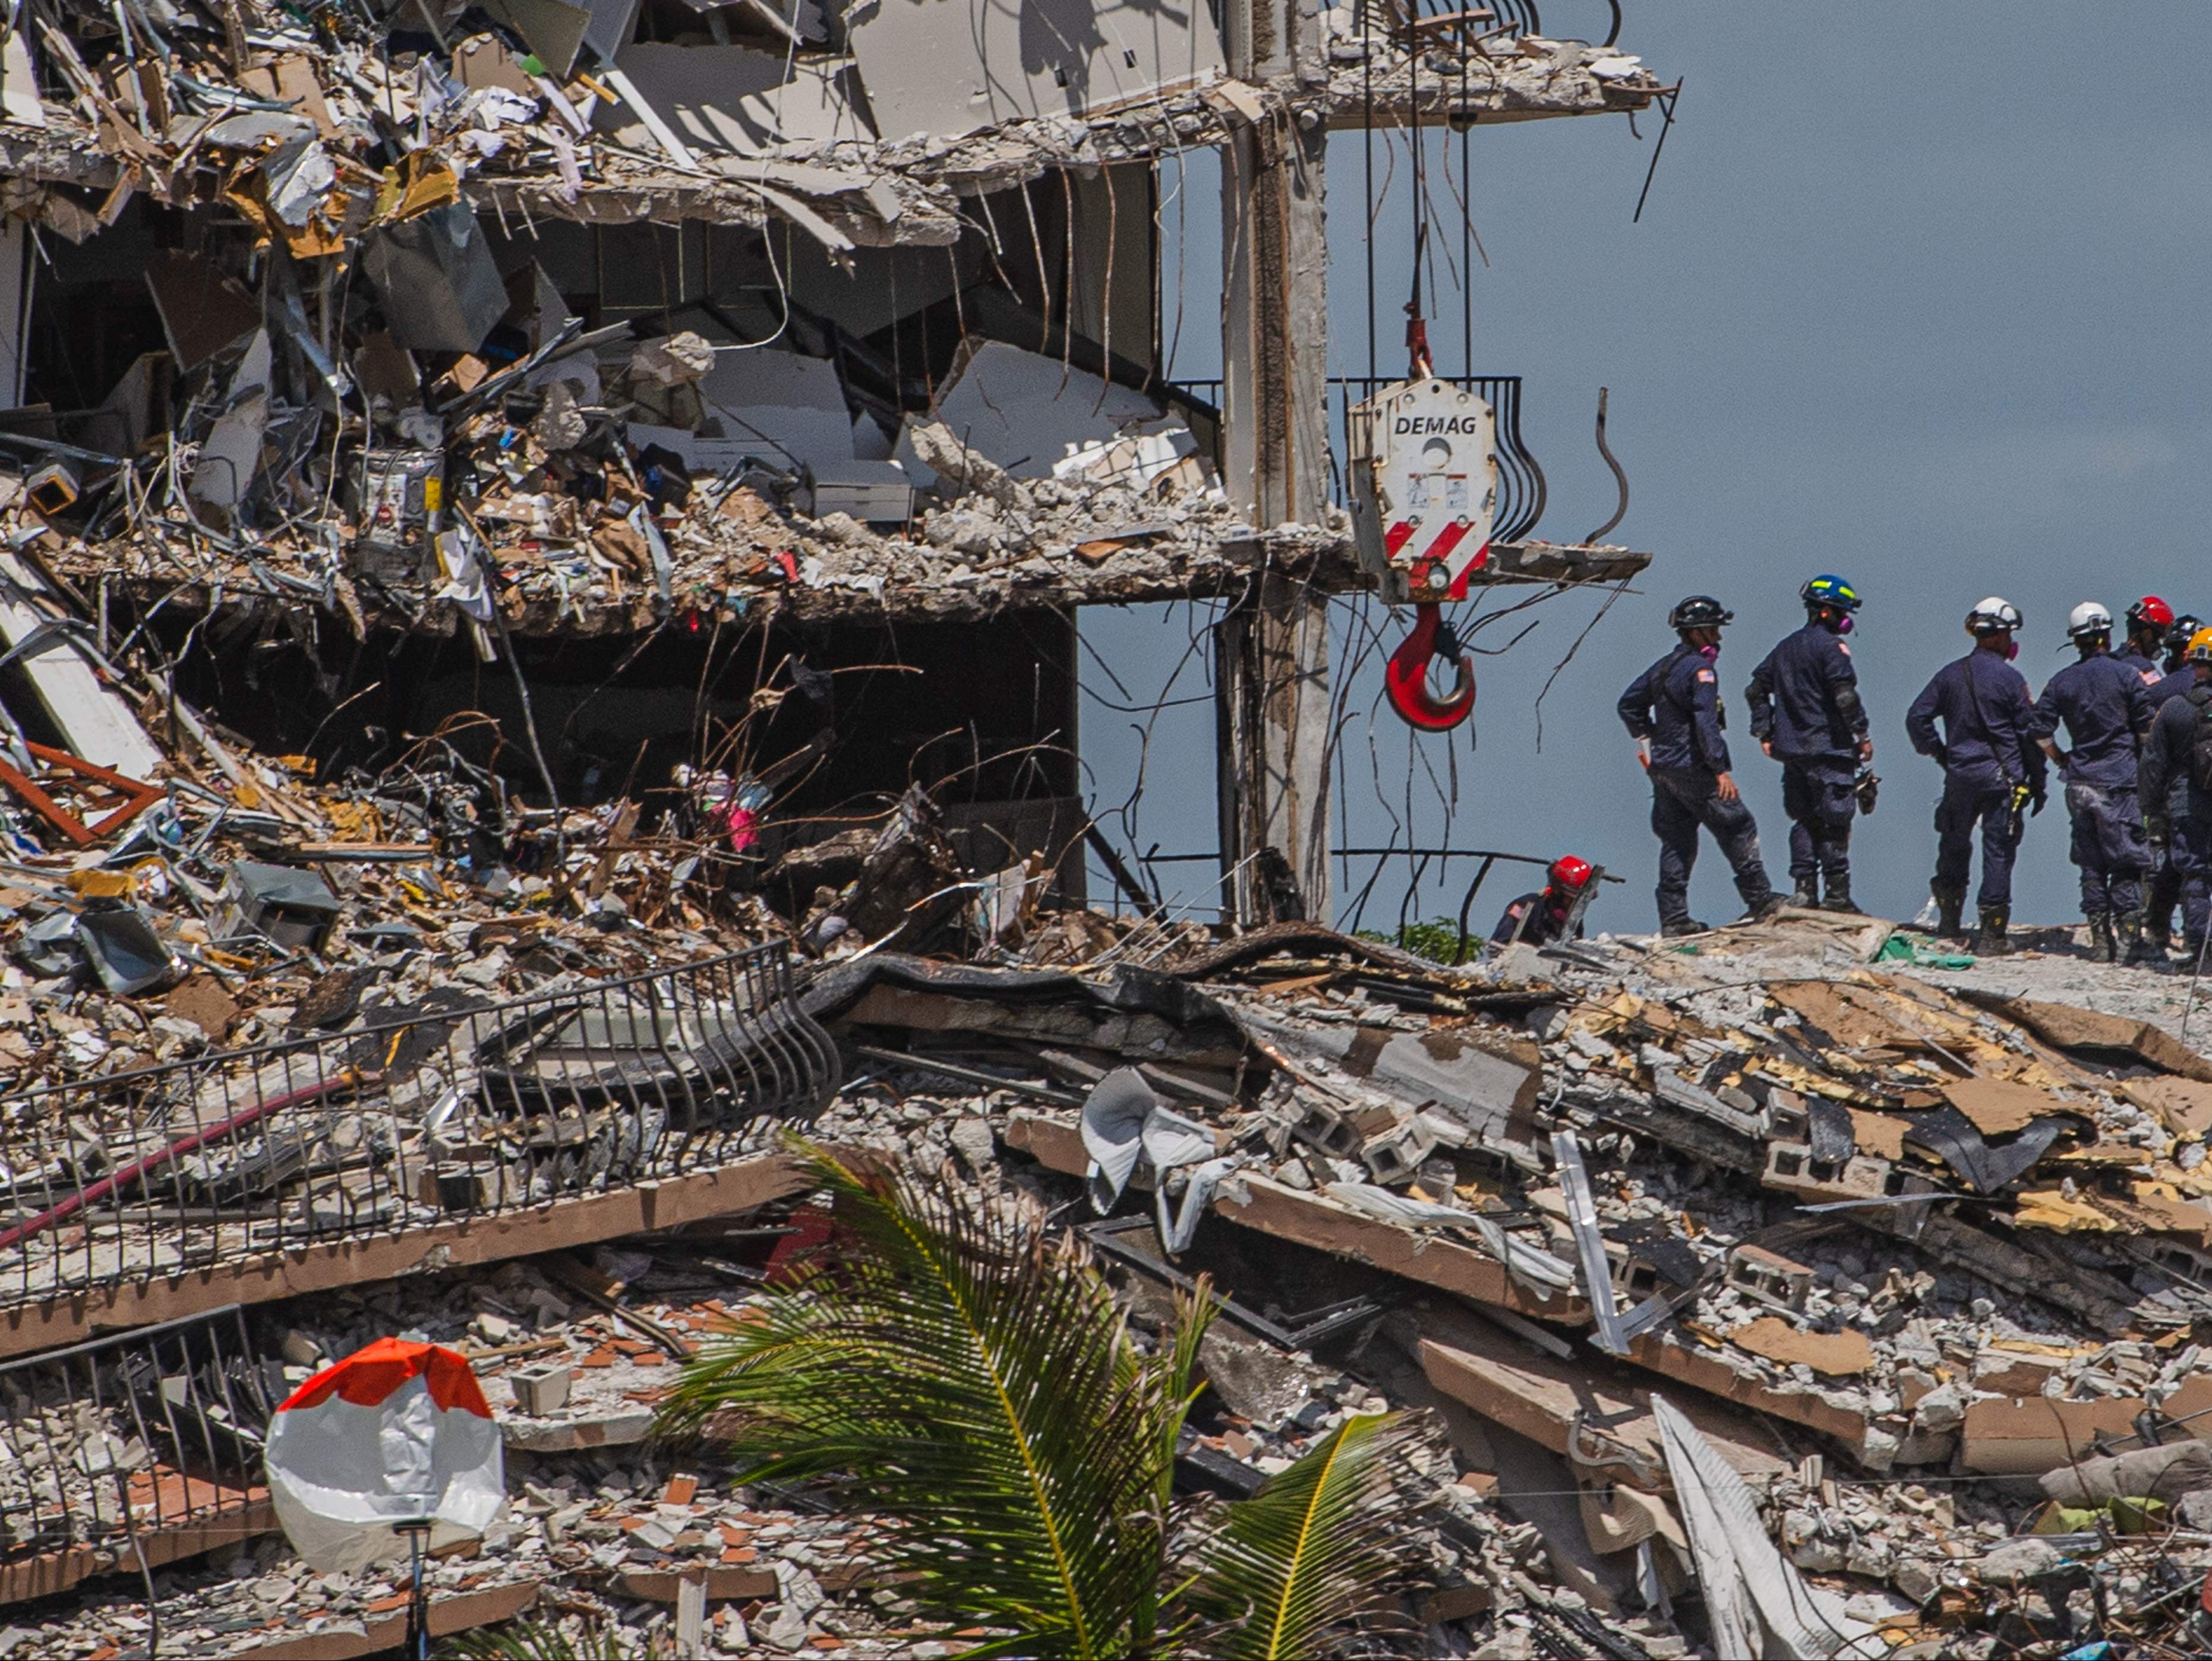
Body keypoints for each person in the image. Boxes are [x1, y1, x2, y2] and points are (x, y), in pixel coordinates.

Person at [1617, 595, 1782, 937]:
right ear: (1696, 633)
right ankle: (1761, 900)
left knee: (1677, 842)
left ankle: (1674, 919)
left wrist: (1650, 737)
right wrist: (1719, 769)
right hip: (1694, 768)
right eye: (1714, 630)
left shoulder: (1663, 667)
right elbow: (1706, 724)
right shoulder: (1700, 671)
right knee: (1738, 825)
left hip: (1664, 769)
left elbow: (1628, 704)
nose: (1719, 638)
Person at [1905, 597, 2047, 952]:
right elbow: (2030, 737)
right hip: (2003, 781)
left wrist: (1941, 755)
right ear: (2000, 636)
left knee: (1953, 846)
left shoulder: (1950, 674)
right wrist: (2038, 782)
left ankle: (1949, 925)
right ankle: (1991, 937)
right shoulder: (2012, 680)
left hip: (1960, 778)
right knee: (1998, 852)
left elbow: (1916, 718)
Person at [2031, 602, 2156, 962]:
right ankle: (2130, 943)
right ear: (2107, 635)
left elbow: (2039, 728)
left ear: (2076, 640)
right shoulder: (2126, 676)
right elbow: (2147, 727)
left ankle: (2101, 943)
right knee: (2128, 863)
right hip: (2119, 781)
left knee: (2091, 864)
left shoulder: (2061, 682)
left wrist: (2060, 758)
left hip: (2079, 782)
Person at [1747, 574, 1873, 912]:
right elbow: (1846, 697)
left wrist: (1766, 733)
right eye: (1841, 612)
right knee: (1835, 822)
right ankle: (1837, 896)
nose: (1846, 620)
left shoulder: (1785, 647)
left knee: (1803, 820)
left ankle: (1804, 892)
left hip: (1793, 753)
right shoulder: (1832, 649)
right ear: (1824, 611)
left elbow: (1755, 690)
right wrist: (1862, 735)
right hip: (1829, 750)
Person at [2141, 626, 2212, 970]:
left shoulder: (2174, 708)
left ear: (2193, 661)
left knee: (2196, 875)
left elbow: (2152, 764)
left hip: (2188, 801)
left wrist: (2152, 810)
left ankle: (2201, 953)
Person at [1491, 855, 1597, 948]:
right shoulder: (1525, 906)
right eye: (1572, 900)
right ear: (1557, 891)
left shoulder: (1574, 921)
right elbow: (1497, 947)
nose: (1576, 906)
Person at [2118, 596, 2175, 686]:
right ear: (2144, 629)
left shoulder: (2110, 659)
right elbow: (2157, 696)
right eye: (2158, 635)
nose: (2159, 644)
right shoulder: (2144, 667)